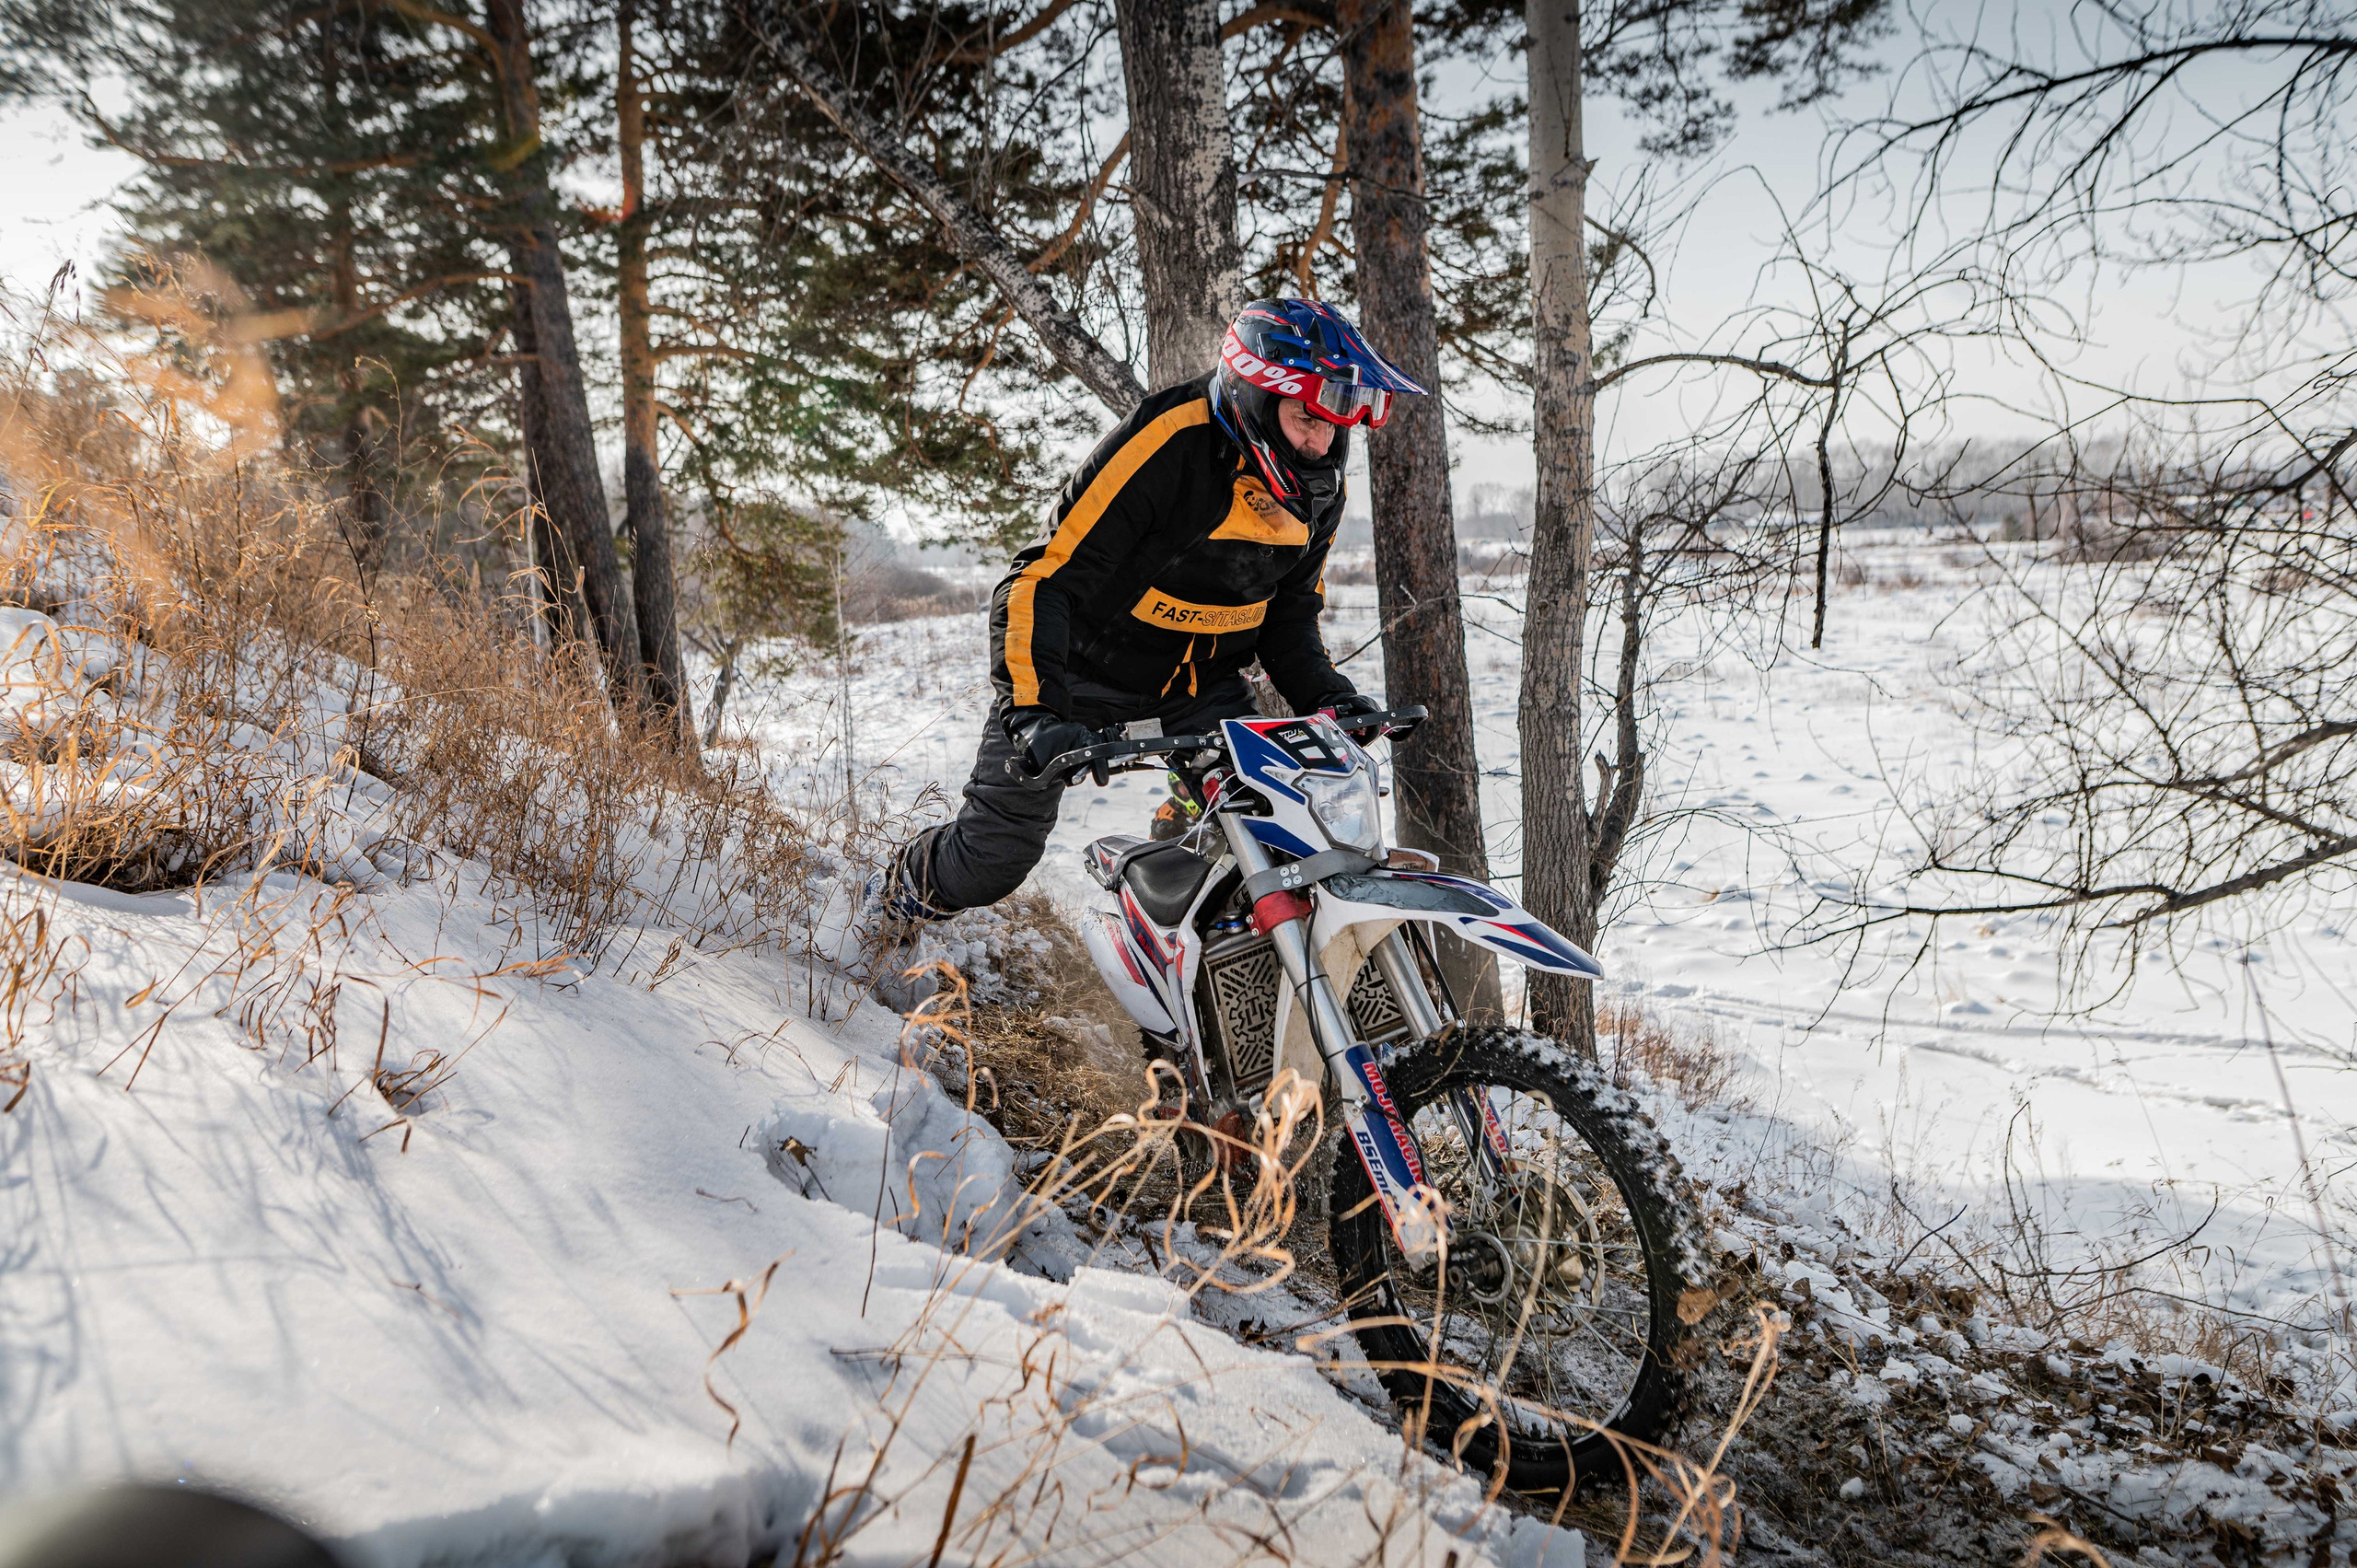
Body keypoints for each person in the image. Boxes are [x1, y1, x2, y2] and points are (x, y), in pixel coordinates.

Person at [827, 298, 1426, 1005]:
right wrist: (1033, 712)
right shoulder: (1168, 442)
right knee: (992, 860)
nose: (1322, 444)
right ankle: (890, 898)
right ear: (1257, 398)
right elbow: (1039, 581)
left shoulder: (1318, 485)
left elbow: (1289, 617)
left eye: (1336, 425)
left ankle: (1208, 1014)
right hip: (1075, 676)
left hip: (1200, 689)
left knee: (1273, 840)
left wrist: (1327, 696)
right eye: (1307, 420)